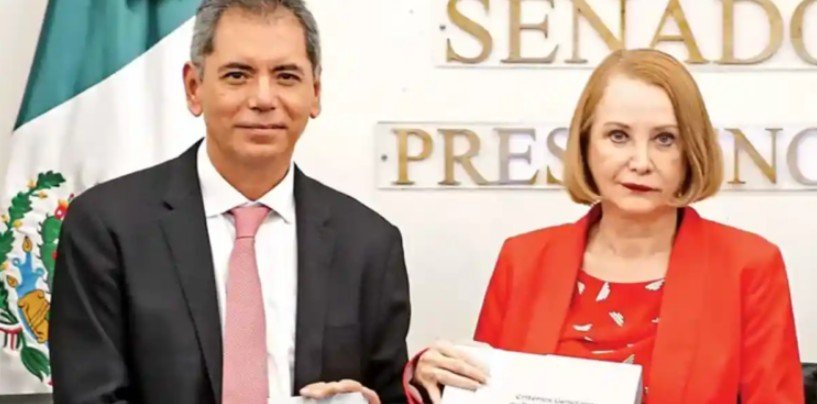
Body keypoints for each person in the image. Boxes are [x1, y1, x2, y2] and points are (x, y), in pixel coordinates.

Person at [49, 1, 411, 403]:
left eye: (286, 76)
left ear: (315, 93)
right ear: (194, 88)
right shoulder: (107, 226)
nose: (263, 98)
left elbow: (389, 392)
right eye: (237, 75)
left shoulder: (370, 244)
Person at [405, 49, 803, 403]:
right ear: (585, 144)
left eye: (665, 139)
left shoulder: (749, 266)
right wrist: (437, 382)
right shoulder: (523, 259)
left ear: (691, 151)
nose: (641, 161)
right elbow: (485, 392)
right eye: (618, 136)